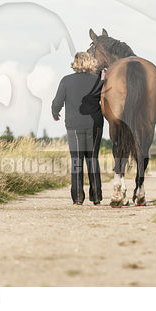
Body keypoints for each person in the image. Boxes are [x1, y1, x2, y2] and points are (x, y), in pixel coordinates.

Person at [51, 52, 104, 205]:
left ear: (75, 63)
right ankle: (96, 197)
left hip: (74, 125)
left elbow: (57, 102)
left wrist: (55, 114)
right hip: (95, 125)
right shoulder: (98, 81)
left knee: (76, 160)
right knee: (93, 159)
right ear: (90, 63)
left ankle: (78, 198)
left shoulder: (66, 81)